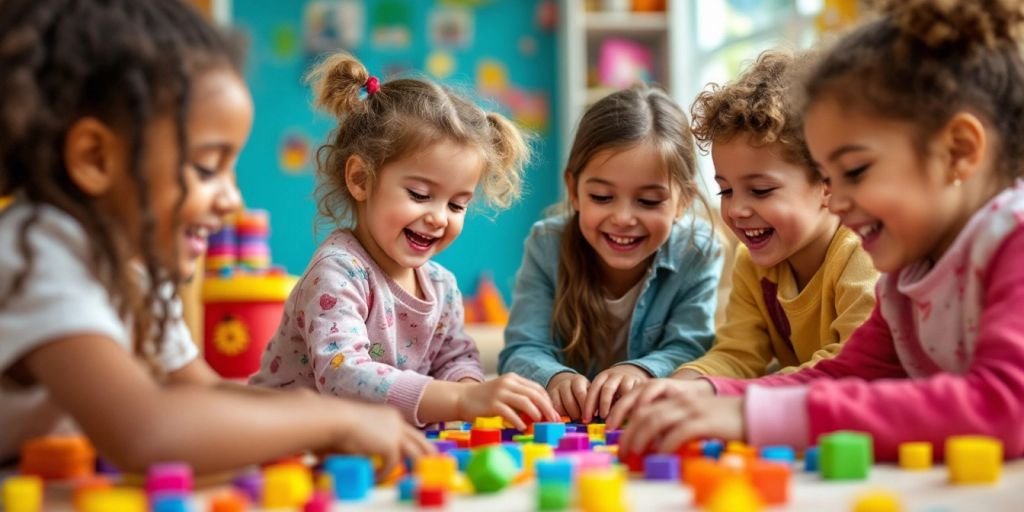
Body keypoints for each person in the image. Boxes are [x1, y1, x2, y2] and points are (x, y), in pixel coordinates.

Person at [0, 0, 433, 476]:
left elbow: (200, 393)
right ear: (96, 158)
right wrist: (330, 420)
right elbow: (146, 432)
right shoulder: (35, 251)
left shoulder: (136, 275)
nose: (231, 199)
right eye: (208, 167)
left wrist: (321, 421)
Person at [611, 0, 1024, 461]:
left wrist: (750, 416)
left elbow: (1004, 406)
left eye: (855, 171)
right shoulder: (907, 273)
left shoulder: (1014, 240)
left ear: (959, 151)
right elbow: (847, 374)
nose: (836, 198)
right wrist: (712, 395)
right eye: (829, 174)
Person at [250, 52, 560, 430]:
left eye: (457, 205)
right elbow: (343, 377)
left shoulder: (442, 287)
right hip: (285, 438)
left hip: (369, 443)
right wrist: (460, 400)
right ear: (361, 180)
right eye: (419, 194)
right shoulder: (338, 272)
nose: (438, 217)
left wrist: (468, 390)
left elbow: (455, 358)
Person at [606, 50, 878, 422]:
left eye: (761, 191)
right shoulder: (753, 264)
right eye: (726, 190)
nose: (735, 210)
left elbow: (851, 366)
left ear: (829, 183)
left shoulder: (862, 253)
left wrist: (729, 397)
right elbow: (737, 354)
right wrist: (681, 385)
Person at [498, 86, 723, 422]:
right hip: (571, 425)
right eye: (602, 197)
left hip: (644, 421)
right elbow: (522, 349)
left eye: (648, 201)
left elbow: (691, 349)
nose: (622, 218)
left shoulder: (698, 250)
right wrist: (555, 377)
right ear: (574, 191)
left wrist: (641, 372)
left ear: (684, 201)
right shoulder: (546, 243)